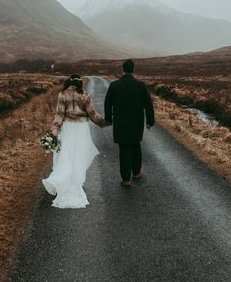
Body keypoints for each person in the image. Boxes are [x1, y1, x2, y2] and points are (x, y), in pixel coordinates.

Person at [42, 74, 106, 208]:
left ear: (69, 82)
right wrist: (104, 122)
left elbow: (59, 115)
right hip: (81, 129)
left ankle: (61, 180)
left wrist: (54, 130)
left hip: (68, 128)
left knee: (66, 155)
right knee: (78, 156)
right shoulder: (86, 95)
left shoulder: (62, 95)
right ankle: (75, 181)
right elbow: (93, 114)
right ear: (80, 83)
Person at [104, 59, 155, 186]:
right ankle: (136, 173)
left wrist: (108, 118)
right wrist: (150, 121)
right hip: (136, 122)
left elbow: (107, 103)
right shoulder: (141, 85)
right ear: (133, 70)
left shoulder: (114, 85)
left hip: (121, 123)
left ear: (123, 69)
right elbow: (148, 105)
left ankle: (126, 179)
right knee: (136, 145)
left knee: (124, 149)